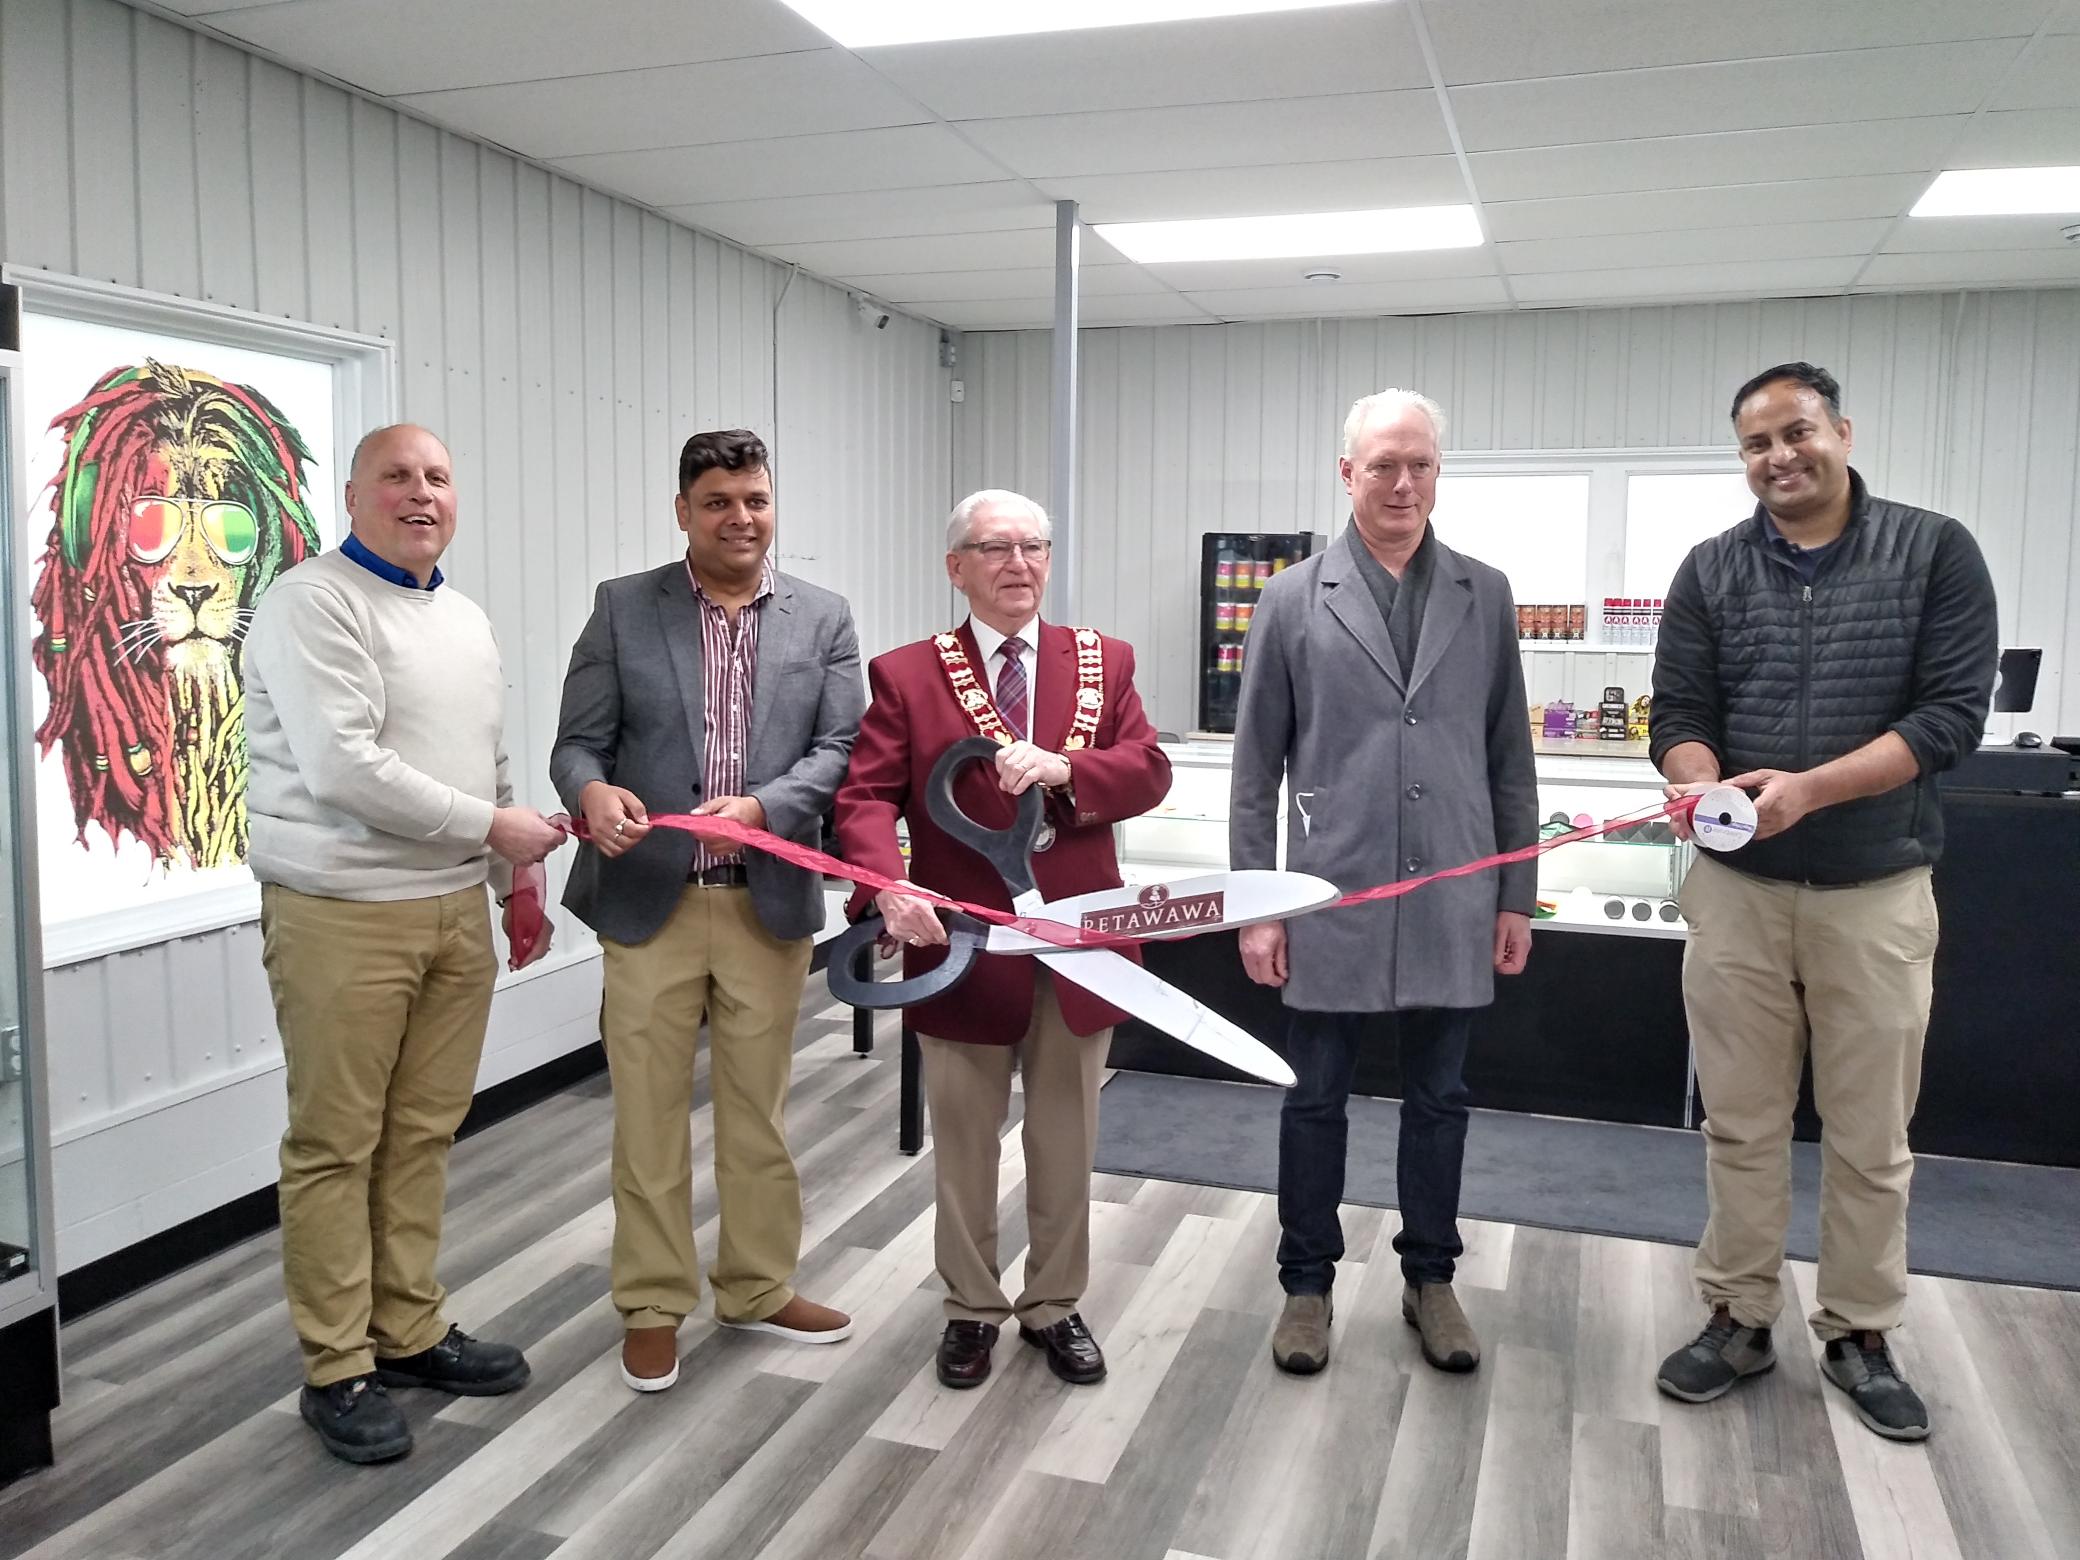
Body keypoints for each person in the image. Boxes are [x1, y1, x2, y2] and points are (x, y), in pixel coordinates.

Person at [1650, 362, 1997, 1442]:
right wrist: (1697, 779)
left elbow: (1949, 718)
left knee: (1868, 1135)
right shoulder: (1709, 570)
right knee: (1742, 1124)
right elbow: (1680, 709)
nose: (1778, 457)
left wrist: (1808, 792)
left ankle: (1857, 1331)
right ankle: (1739, 1315)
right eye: (1755, 444)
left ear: (1841, 431)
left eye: (1795, 432)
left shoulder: (1932, 551)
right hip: (1737, 895)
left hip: (1875, 891)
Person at [243, 424, 567, 1465]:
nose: (419, 493)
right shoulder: (312, 602)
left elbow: (485, 759)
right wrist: (492, 834)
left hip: (451, 911)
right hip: (342, 912)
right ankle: (337, 1365)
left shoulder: (461, 616)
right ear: (352, 496)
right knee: (337, 1143)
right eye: (396, 477)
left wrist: (515, 878)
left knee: (422, 1133)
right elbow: (344, 769)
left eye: (436, 477)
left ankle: (410, 1328)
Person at [1230, 389, 1537, 1379]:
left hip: (1453, 887)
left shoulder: (1483, 594)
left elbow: (1509, 758)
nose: (1402, 484)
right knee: (1313, 1097)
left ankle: (1430, 1277)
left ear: (1437, 473)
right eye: (1382, 466)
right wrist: (1256, 905)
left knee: (1439, 1097)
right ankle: (1306, 1284)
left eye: (1420, 466)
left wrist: (1513, 893)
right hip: (1330, 895)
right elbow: (1254, 770)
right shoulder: (1290, 599)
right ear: (1346, 474)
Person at [834, 489, 1170, 1390]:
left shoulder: (1103, 660)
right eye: (993, 549)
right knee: (965, 1142)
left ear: (1050, 559)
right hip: (961, 951)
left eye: (1032, 546)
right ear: (956, 569)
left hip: (1077, 945)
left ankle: (1055, 1306)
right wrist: (886, 882)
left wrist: (1068, 769)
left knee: (1066, 1139)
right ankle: (971, 1309)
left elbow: (1148, 770)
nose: (1017, 563)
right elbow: (863, 799)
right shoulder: (907, 674)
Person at [551, 429, 864, 1394]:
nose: (741, 518)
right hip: (651, 899)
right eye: (720, 501)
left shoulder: (823, 618)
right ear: (682, 511)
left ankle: (759, 1286)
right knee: (646, 1118)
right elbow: (577, 745)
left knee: (759, 1117)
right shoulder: (622, 610)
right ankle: (651, 1304)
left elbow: (842, 746)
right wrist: (591, 794)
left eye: (757, 500)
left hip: (765, 905)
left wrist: (769, 808)